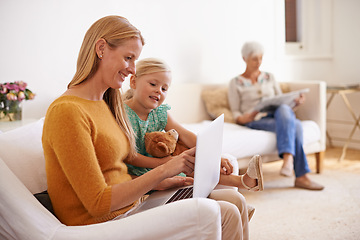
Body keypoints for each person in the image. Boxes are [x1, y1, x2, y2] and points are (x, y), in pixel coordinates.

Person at [42, 15, 248, 239]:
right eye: (128, 58)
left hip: (133, 204)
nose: (132, 69)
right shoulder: (68, 111)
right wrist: (163, 170)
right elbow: (98, 203)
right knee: (224, 212)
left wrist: (157, 183)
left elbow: (118, 169)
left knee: (235, 200)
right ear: (101, 48)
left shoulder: (105, 103)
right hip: (101, 223)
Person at [123, 57, 263, 194]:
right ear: (133, 82)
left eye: (164, 88)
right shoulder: (123, 114)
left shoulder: (160, 113)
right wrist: (165, 164)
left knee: (192, 163)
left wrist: (214, 157)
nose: (159, 91)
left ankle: (242, 182)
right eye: (153, 84)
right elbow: (129, 156)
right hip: (138, 174)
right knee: (186, 166)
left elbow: (185, 135)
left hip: (161, 167)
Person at [227, 41, 324, 191]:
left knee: (285, 109)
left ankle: (288, 159)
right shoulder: (235, 83)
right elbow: (235, 113)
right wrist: (244, 118)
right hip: (254, 120)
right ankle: (300, 174)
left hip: (276, 114)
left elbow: (282, 102)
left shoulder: (269, 77)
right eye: (254, 59)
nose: (259, 62)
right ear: (244, 58)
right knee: (296, 125)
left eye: (261, 58)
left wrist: (296, 103)